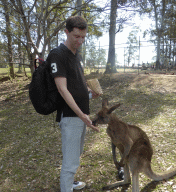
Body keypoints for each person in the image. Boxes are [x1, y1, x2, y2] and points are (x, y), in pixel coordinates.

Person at [48, 16, 100, 192]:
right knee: (70, 163)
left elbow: (76, 86)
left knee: (75, 156)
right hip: (71, 117)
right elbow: (63, 90)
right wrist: (82, 115)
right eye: (76, 36)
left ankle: (70, 183)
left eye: (83, 37)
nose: (80, 41)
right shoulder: (57, 54)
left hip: (80, 116)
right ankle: (66, 187)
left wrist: (89, 95)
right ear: (66, 32)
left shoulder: (76, 55)